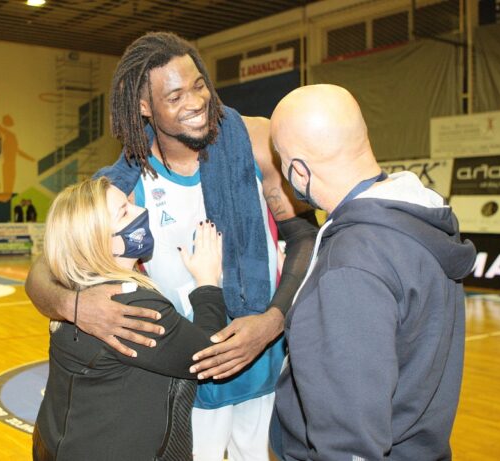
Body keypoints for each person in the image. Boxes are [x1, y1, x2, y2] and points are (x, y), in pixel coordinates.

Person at [25, 32, 317, 461]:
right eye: (175, 96)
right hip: (185, 381)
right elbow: (44, 271)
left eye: (199, 85)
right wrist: (75, 306)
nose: (196, 102)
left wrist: (273, 321)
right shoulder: (122, 186)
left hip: (263, 365)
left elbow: (305, 236)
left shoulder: (255, 141)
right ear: (145, 107)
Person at [268, 84, 477, 461]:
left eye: (281, 160)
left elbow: (349, 442)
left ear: (299, 170)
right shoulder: (417, 219)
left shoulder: (351, 265)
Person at [33, 176, 227, 460]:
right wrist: (208, 282)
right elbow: (210, 355)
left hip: (54, 443)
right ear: (98, 240)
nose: (141, 211)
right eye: (124, 212)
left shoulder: (73, 285)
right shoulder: (131, 306)